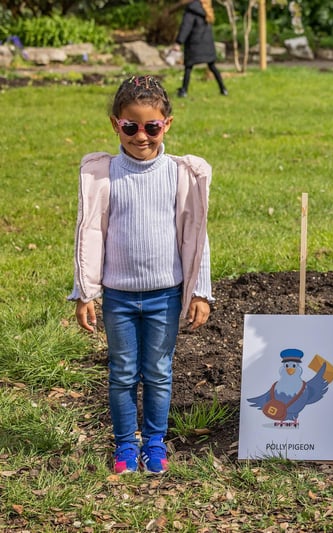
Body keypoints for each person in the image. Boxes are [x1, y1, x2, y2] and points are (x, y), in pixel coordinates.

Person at [69, 75, 214, 474]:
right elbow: (90, 234)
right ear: (116, 123)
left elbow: (195, 237)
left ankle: (153, 442)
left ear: (167, 123)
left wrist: (200, 290)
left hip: (164, 296)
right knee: (122, 373)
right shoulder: (106, 174)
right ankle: (124, 446)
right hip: (117, 297)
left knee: (159, 372)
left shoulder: (179, 174)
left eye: (151, 127)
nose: (141, 137)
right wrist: (86, 291)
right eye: (130, 127)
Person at [173, 0, 227, 97]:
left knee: (188, 67)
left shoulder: (191, 10)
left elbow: (185, 27)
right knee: (212, 66)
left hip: (194, 44)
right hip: (207, 44)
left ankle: (184, 91)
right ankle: (223, 89)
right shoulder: (207, 8)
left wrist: (178, 42)